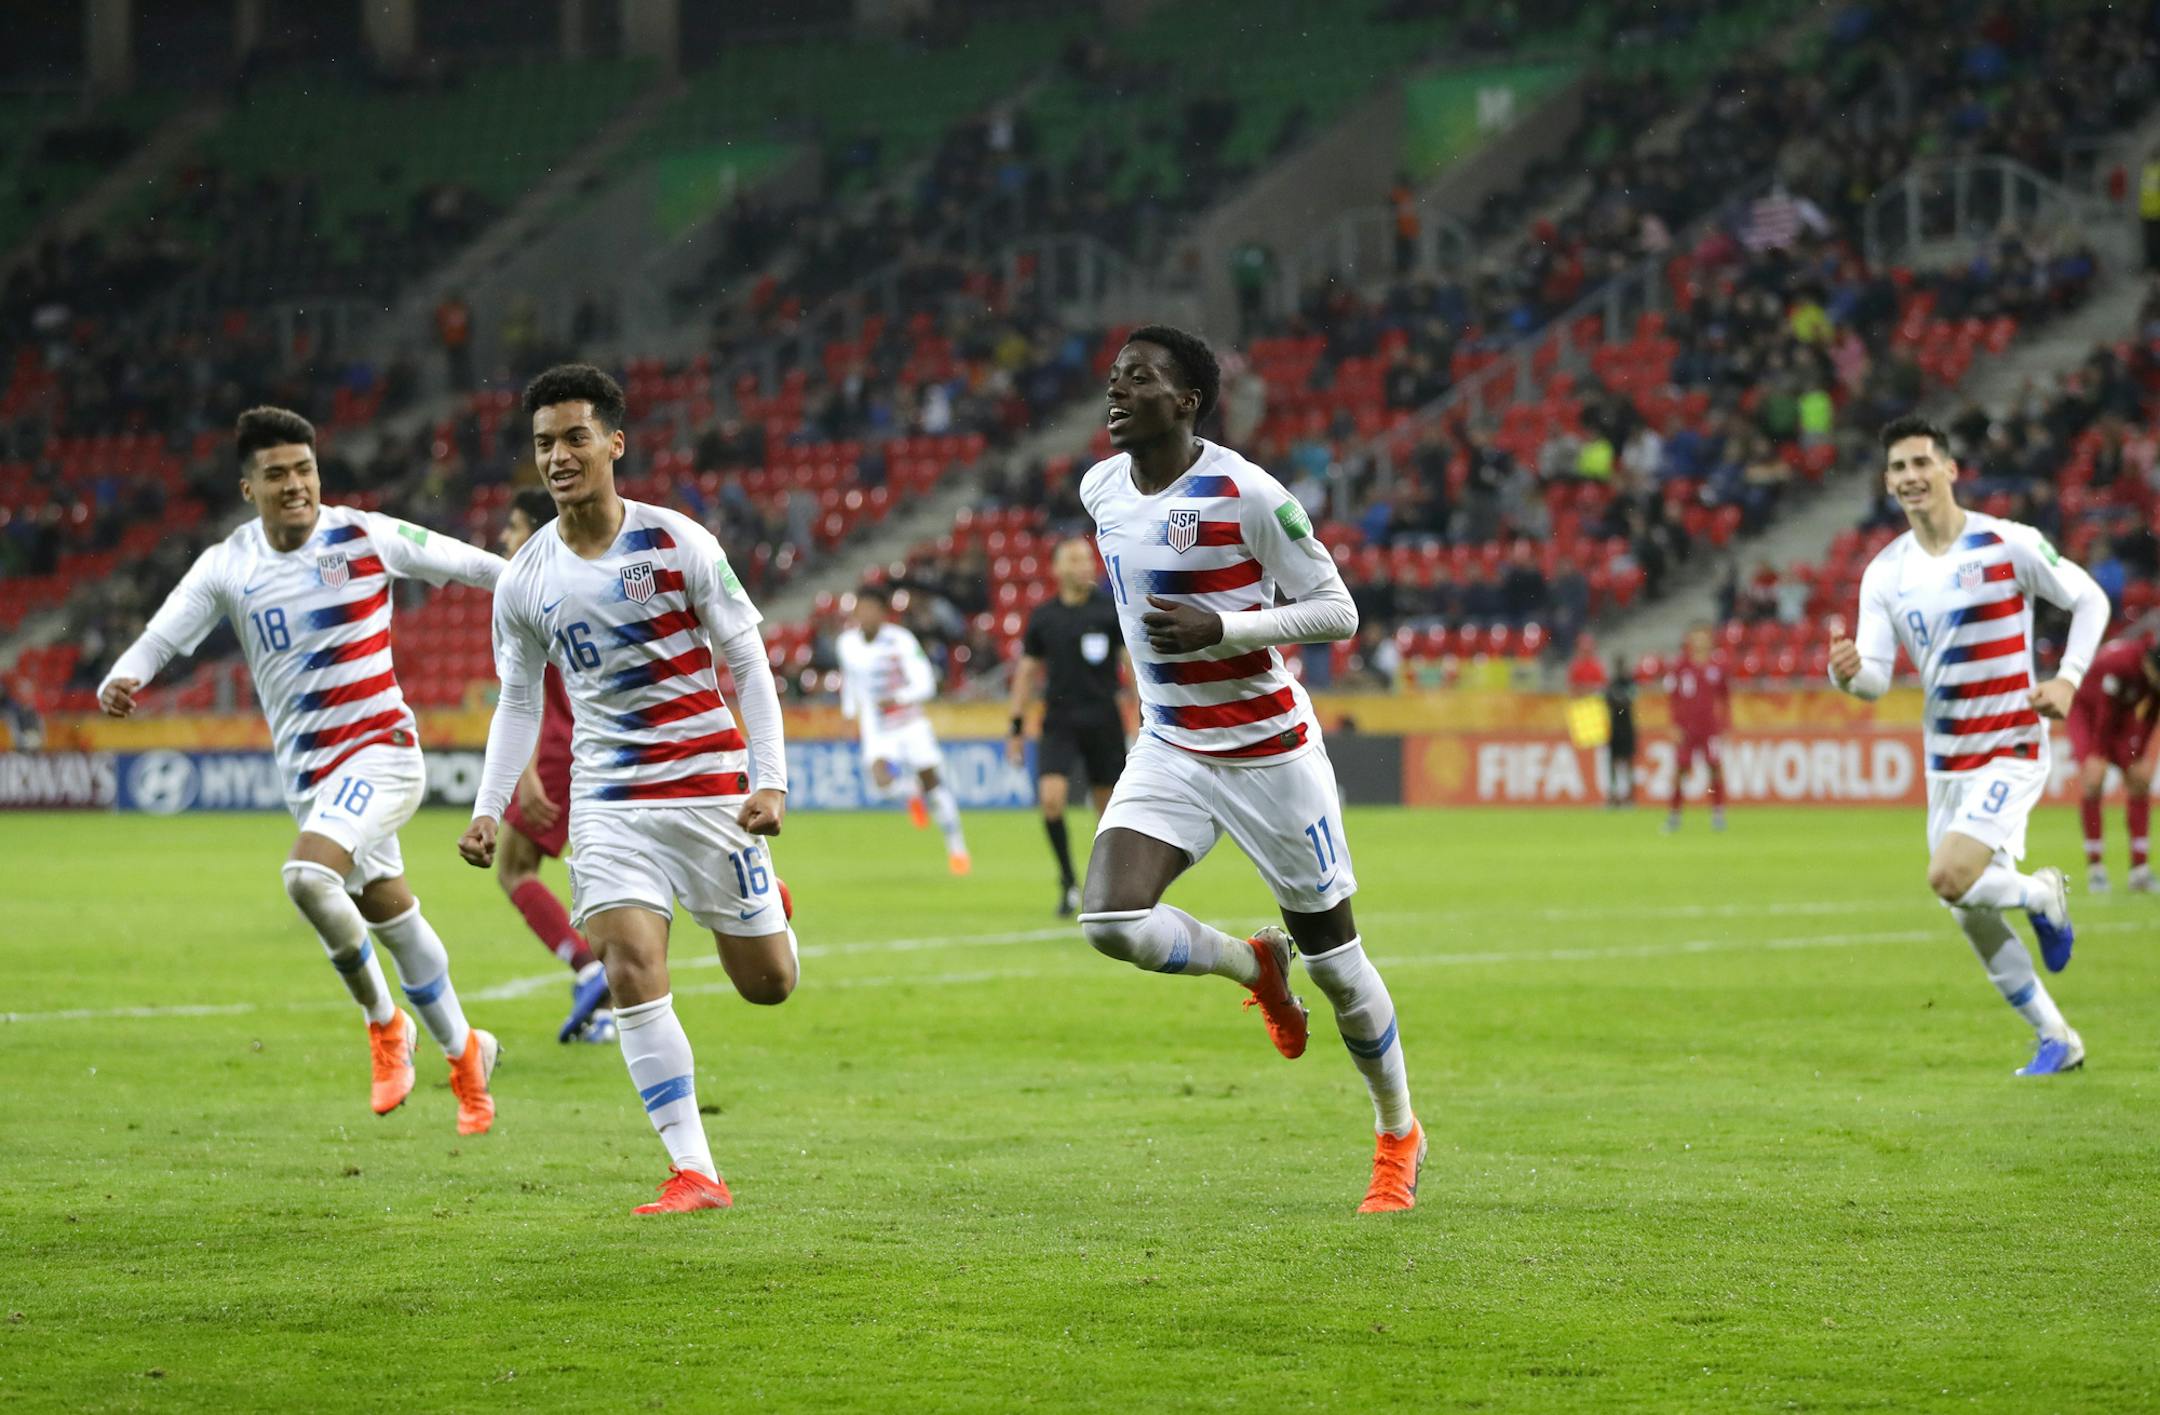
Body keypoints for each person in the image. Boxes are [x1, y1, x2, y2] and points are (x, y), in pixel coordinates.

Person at [1077, 324, 1422, 1214]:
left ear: (1187, 399)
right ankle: (1252, 968)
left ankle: (1397, 1133)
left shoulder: (1248, 492)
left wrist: (1223, 629)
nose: (1117, 391)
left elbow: (1338, 610)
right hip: (1170, 745)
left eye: (1140, 379)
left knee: (1340, 966)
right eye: (1115, 378)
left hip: (1270, 752)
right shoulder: (1101, 487)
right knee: (1110, 920)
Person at [97, 406, 504, 1133]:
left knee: (306, 878)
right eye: (276, 473)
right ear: (248, 487)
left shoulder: (366, 535)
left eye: (304, 469)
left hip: (382, 751)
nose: (295, 485)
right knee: (393, 915)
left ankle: (386, 1027)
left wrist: (552, 595)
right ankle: (467, 1053)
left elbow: (474, 565)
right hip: (313, 779)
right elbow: (165, 632)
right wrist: (125, 675)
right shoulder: (229, 564)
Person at [459, 364, 796, 1215]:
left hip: (710, 785)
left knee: (769, 984)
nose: (559, 457)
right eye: (544, 444)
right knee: (629, 963)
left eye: (575, 438)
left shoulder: (679, 542)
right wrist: (486, 807)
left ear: (615, 442)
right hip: (608, 799)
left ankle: (772, 904)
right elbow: (519, 700)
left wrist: (771, 781)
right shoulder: (524, 578)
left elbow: (748, 663)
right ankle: (696, 1170)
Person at [1829, 414, 2108, 1077]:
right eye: (1897, 468)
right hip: (1945, 761)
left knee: (1949, 877)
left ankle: (2043, 894)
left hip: (2011, 743)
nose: (1909, 477)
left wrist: (2066, 680)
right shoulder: (1885, 574)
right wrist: (1844, 675)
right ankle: (2057, 1038)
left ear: (1950, 470)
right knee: (1966, 908)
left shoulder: (2006, 542)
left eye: (1921, 463)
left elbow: (2090, 599)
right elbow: (1873, 680)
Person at [494, 488, 614, 1043]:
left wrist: (526, 771)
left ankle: (591, 969)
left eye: (515, 526)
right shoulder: (578, 577)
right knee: (600, 874)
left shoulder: (526, 588)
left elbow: (524, 697)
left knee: (515, 869)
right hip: (585, 741)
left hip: (553, 746)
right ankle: (607, 1010)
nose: (505, 537)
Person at [1006, 537, 1132, 916]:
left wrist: (1142, 716)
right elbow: (1026, 674)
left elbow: (1133, 668)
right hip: (1059, 720)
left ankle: (1107, 885)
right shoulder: (1044, 617)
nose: (1084, 566)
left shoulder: (1109, 612)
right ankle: (1067, 880)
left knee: (1107, 810)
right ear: (1057, 568)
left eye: (1086, 559)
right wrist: (1015, 726)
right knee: (1051, 798)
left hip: (1103, 718)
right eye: (1074, 559)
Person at [835, 587, 970, 874]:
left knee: (933, 783)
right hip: (877, 727)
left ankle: (956, 847)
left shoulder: (901, 641)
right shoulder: (846, 643)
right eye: (862, 608)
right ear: (856, 612)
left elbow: (926, 683)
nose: (867, 615)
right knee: (881, 784)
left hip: (909, 722)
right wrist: (848, 715)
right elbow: (851, 681)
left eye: (873, 609)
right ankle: (910, 792)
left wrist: (898, 698)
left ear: (883, 613)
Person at [2068, 635, 2160, 893]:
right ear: (2148, 666)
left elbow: (2152, 713)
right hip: (2087, 713)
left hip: (2120, 717)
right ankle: (2096, 869)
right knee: (2093, 781)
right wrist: (2097, 754)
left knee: (2140, 779)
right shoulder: (2122, 664)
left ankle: (2139, 870)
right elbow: (2104, 712)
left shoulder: (2153, 669)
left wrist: (2139, 753)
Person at [1662, 623, 1730, 833]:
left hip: (1709, 729)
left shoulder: (1717, 668)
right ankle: (1674, 816)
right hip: (1686, 730)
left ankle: (1718, 815)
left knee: (1714, 768)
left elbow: (1725, 699)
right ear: (1690, 641)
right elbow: (1673, 699)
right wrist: (1673, 725)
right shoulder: (1681, 667)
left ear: (1709, 641)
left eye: (1704, 638)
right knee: (1680, 770)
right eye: (1696, 638)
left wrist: (1726, 725)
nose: (1700, 642)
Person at [1604, 657, 1637, 808]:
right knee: (1613, 761)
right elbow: (1609, 700)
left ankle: (1630, 796)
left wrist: (1618, 699)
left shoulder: (1629, 683)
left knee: (1629, 761)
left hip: (1627, 727)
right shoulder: (1613, 684)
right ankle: (1614, 795)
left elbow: (1627, 700)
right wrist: (1620, 700)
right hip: (1616, 728)